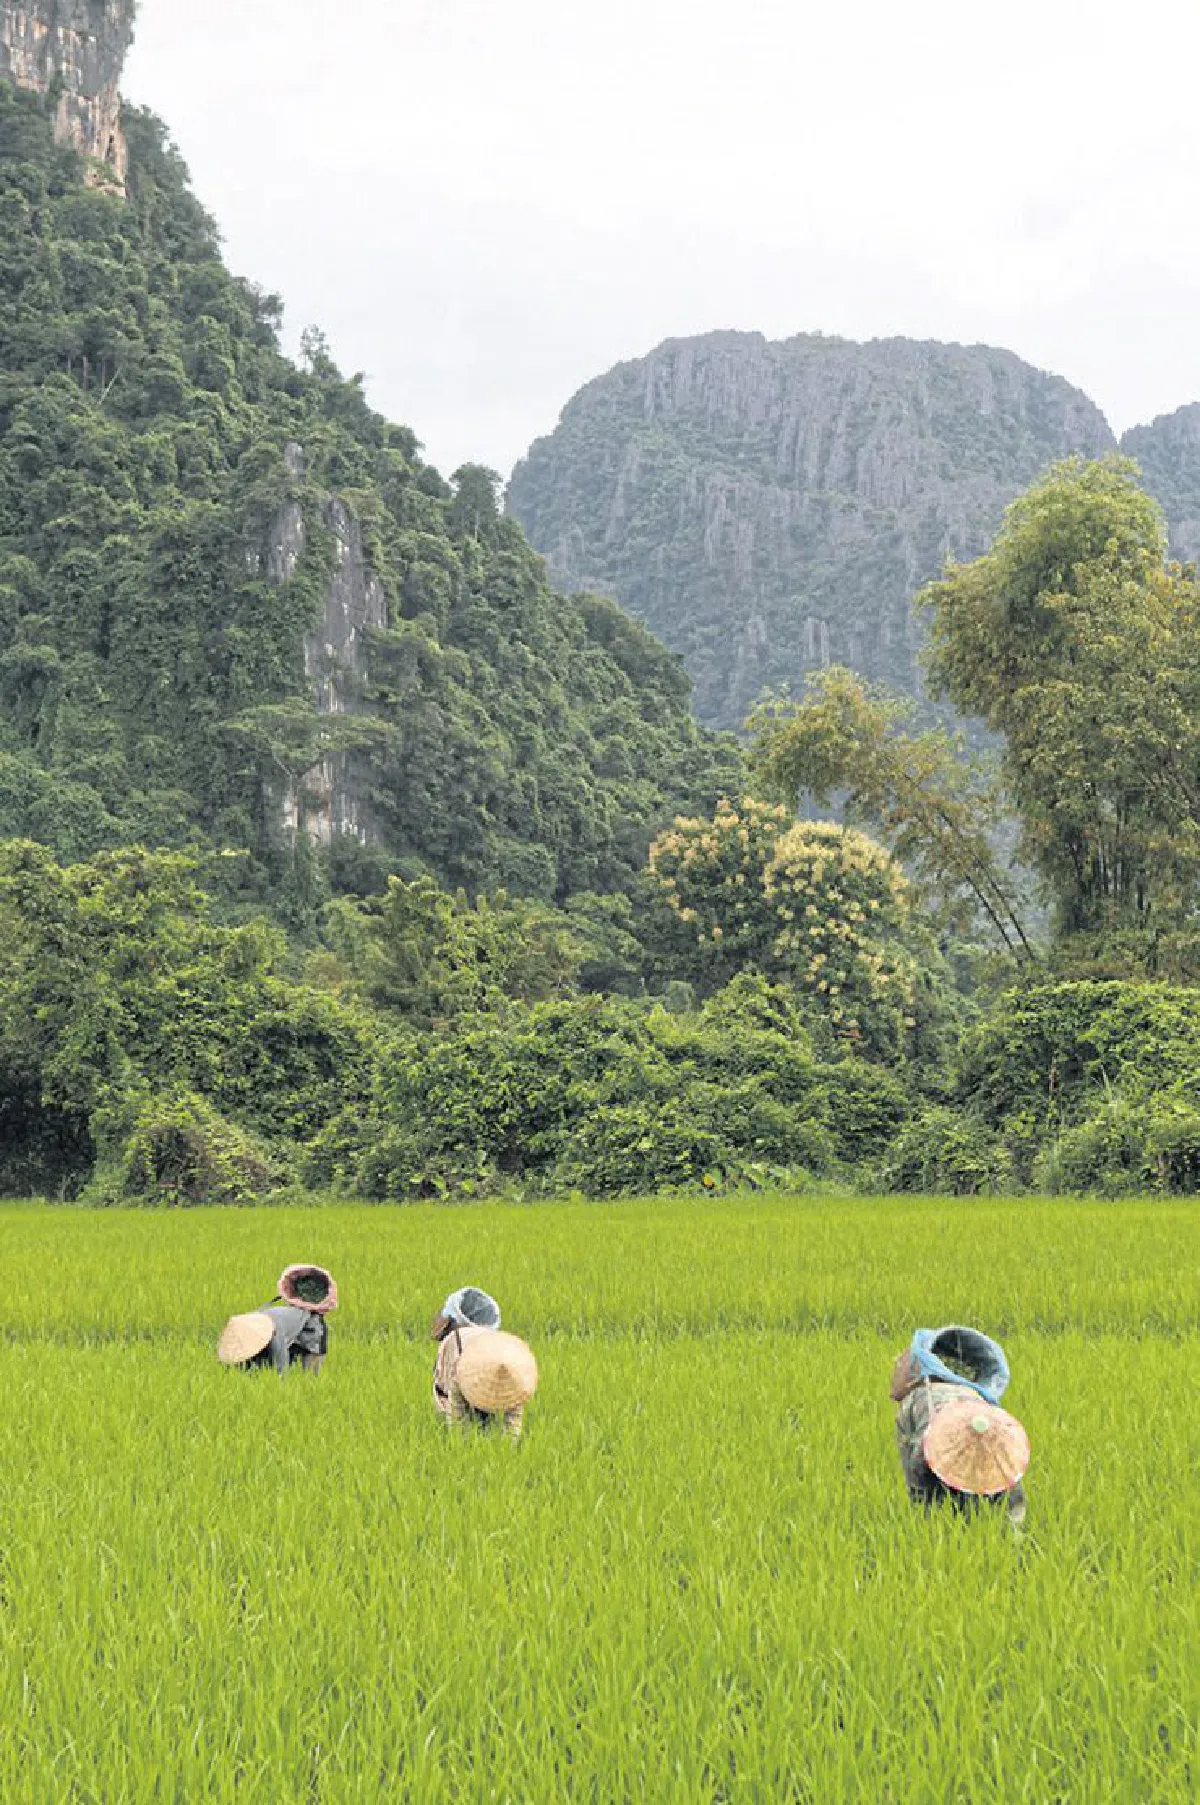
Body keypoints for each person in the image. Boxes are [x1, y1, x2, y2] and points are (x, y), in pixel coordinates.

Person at [890, 1324, 1029, 1527]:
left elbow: (917, 1458)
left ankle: (935, 1527)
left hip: (938, 1435)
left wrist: (921, 1505)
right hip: (990, 1431)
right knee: (998, 1474)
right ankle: (1011, 1530)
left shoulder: (917, 1399)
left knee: (930, 1495)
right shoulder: (973, 1393)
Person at [431, 1286, 536, 1438]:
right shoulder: (462, 1369)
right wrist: (460, 1443)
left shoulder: (515, 1381)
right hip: (460, 1356)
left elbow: (513, 1423)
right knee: (451, 1409)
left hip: (482, 1352)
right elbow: (456, 1416)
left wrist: (508, 1447)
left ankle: (483, 1419)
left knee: (487, 1420)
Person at [217, 1263, 339, 1376]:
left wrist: (281, 1383)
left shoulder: (274, 1332)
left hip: (311, 1330)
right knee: (255, 1365)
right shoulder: (255, 1321)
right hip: (288, 1328)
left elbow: (281, 1366)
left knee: (309, 1375)